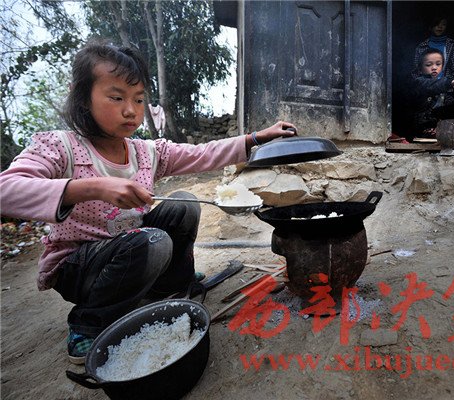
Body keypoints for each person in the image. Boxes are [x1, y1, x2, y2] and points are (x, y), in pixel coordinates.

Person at [0, 41, 297, 364]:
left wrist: (255, 138)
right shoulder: (60, 147)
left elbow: (201, 153)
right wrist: (91, 188)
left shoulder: (146, 153)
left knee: (183, 204)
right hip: (80, 268)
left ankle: (171, 285)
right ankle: (88, 323)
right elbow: (6, 190)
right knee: (152, 241)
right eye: (117, 98)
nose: (131, 110)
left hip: (136, 248)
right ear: (83, 97)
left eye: (139, 99)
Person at [411, 48, 454, 138]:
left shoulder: (443, 86)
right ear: (420, 69)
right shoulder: (418, 82)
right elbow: (432, 86)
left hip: (439, 131)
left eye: (438, 64)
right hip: (420, 131)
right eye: (429, 65)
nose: (434, 68)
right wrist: (450, 82)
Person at [412, 17, 454, 81]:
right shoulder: (422, 46)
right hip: (426, 84)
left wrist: (449, 82)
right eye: (437, 24)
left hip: (447, 85)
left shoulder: (451, 45)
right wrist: (425, 83)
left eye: (443, 24)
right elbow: (416, 72)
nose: (440, 27)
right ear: (431, 27)